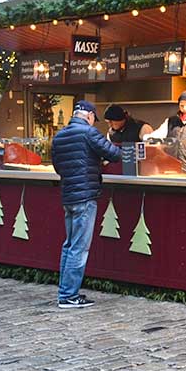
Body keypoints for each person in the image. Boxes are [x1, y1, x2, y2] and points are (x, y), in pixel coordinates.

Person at [51, 100, 121, 309]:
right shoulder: (89, 133)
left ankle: (65, 292)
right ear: (89, 116)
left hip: (68, 196)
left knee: (69, 245)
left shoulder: (60, 135)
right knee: (79, 248)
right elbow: (115, 154)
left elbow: (58, 166)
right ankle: (68, 295)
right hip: (85, 196)